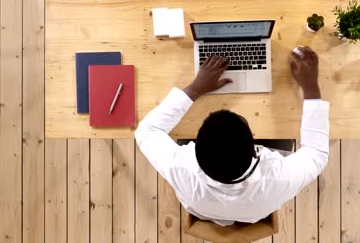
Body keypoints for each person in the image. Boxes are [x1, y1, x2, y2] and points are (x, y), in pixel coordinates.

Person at [135, 46, 329, 226]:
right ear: (256, 152)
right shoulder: (279, 179)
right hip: (253, 209)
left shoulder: (180, 167)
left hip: (203, 207)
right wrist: (311, 87)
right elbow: (317, 154)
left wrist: (196, 88)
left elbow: (145, 131)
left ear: (194, 150)